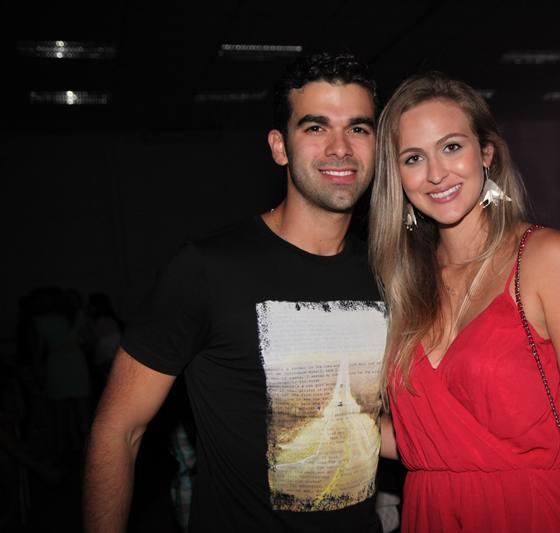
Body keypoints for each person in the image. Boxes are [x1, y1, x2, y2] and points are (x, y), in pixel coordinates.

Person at [84, 52, 388, 533]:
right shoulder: (208, 269)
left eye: (358, 128)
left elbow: (374, 424)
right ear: (279, 146)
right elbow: (118, 430)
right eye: (315, 127)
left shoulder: (386, 273)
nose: (340, 147)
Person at [370, 73, 560, 532]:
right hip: (429, 514)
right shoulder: (404, 285)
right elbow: (425, 440)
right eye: (413, 158)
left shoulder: (548, 259)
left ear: (486, 153)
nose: (436, 173)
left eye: (451, 147)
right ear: (398, 176)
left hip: (530, 514)